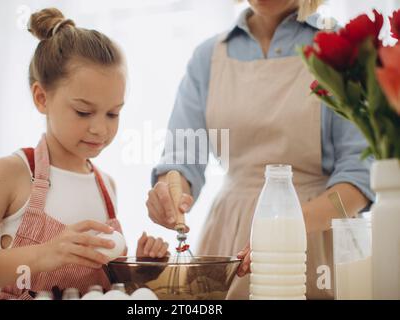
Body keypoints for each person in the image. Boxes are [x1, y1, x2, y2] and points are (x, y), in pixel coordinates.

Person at [146, 0, 374, 299]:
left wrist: (285, 227)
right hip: (230, 233)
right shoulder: (208, 57)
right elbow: (182, 156)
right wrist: (170, 193)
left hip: (318, 235)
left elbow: (359, 176)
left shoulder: (340, 49)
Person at [0, 8, 168, 299]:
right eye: (83, 111)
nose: (100, 129)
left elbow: (103, 288)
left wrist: (139, 270)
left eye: (113, 114)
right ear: (41, 98)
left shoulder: (107, 186)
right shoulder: (12, 173)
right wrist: (44, 254)